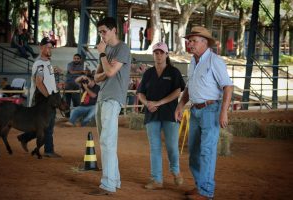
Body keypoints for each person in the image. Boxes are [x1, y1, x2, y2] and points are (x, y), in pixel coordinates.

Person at [174, 26, 233, 200]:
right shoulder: (193, 61)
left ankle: (206, 191)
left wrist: (224, 112)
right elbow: (190, 87)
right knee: (193, 151)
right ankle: (200, 186)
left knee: (206, 151)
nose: (190, 44)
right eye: (189, 40)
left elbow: (228, 87)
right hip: (196, 110)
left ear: (204, 42)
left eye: (193, 41)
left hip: (211, 110)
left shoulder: (215, 61)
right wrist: (180, 105)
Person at [90, 17, 131, 195]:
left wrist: (102, 56)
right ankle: (114, 180)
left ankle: (108, 184)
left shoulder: (122, 48)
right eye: (100, 32)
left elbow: (110, 72)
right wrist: (105, 67)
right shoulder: (107, 52)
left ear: (114, 30)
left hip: (113, 98)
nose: (102, 35)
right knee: (106, 140)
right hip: (103, 96)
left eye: (104, 31)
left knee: (107, 141)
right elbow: (96, 77)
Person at [137, 42, 185, 190]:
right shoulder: (148, 73)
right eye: (156, 53)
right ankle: (157, 179)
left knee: (171, 146)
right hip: (151, 114)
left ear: (166, 54)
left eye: (161, 53)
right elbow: (140, 93)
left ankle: (175, 170)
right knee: (155, 148)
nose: (158, 55)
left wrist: (159, 102)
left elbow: (178, 91)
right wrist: (147, 103)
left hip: (170, 113)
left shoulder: (174, 72)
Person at [17, 37, 62, 158]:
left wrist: (56, 84)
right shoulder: (40, 64)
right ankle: (48, 150)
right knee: (47, 126)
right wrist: (48, 97)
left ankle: (24, 138)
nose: (49, 49)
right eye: (47, 47)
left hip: (47, 99)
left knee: (45, 125)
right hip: (43, 99)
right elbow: (39, 82)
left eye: (50, 47)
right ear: (40, 47)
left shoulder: (47, 62)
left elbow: (47, 79)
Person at [65, 53, 90, 117]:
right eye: (75, 58)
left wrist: (87, 71)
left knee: (76, 102)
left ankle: (76, 115)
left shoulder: (84, 65)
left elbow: (88, 72)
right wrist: (82, 71)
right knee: (67, 102)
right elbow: (71, 72)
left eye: (77, 59)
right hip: (68, 84)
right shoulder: (70, 64)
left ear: (80, 59)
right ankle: (67, 116)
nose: (76, 60)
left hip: (77, 85)